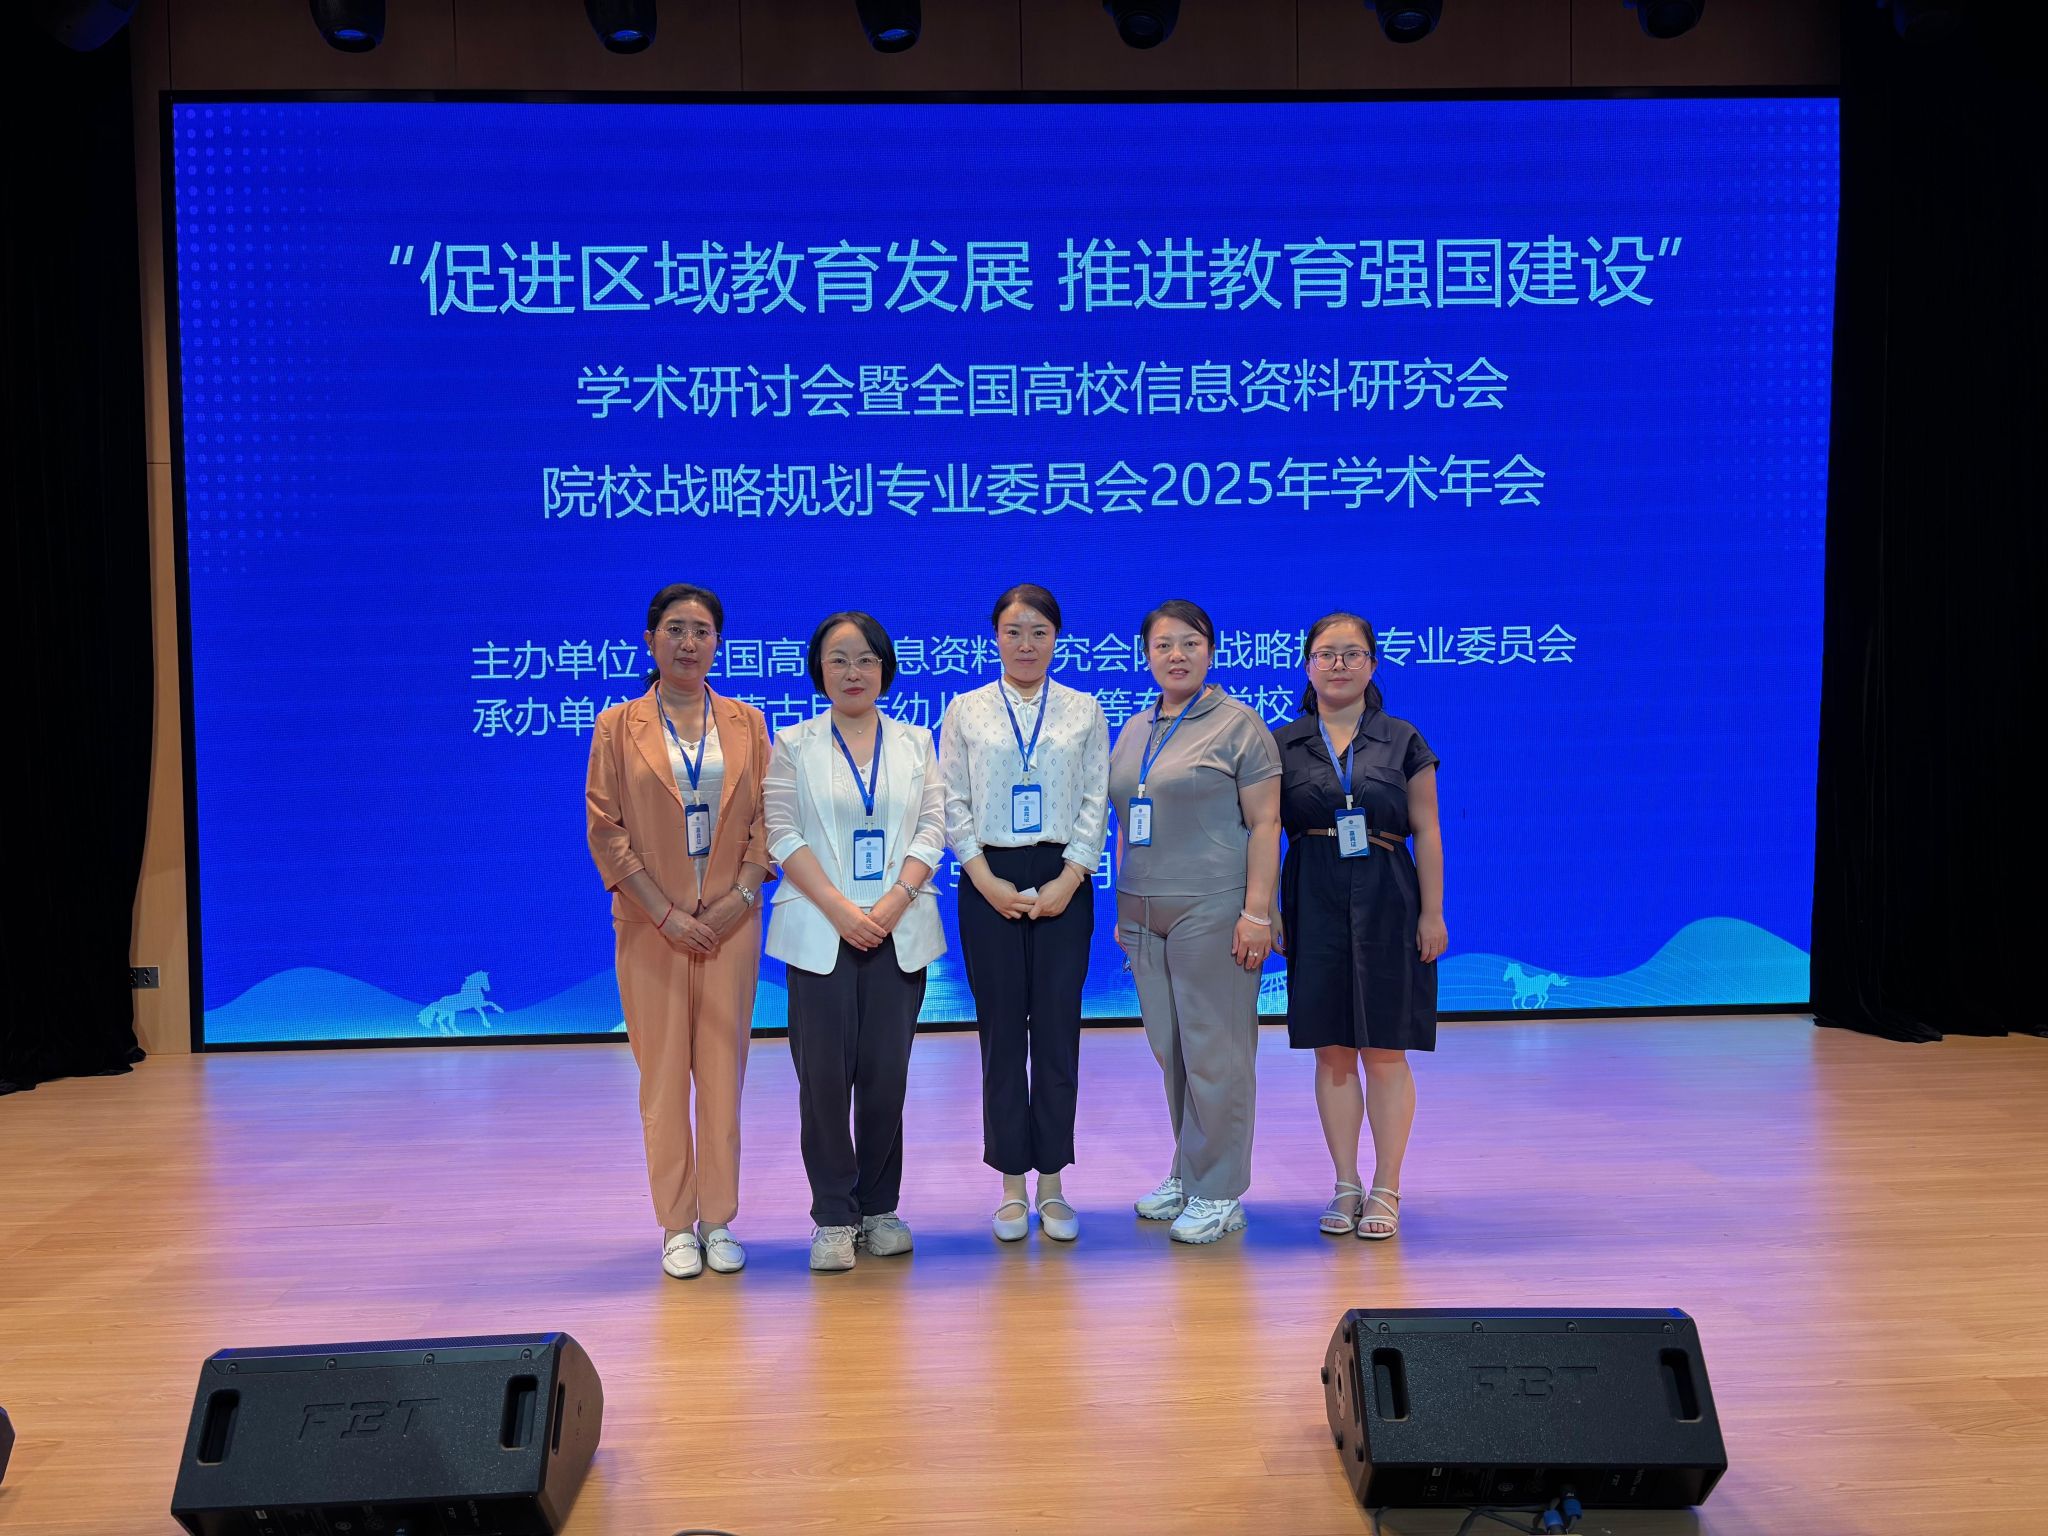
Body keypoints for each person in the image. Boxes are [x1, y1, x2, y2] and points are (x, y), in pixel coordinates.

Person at [586, 583, 772, 1281]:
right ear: (650, 640)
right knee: (663, 1082)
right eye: (674, 629)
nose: (688, 642)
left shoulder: (748, 723)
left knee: (722, 1079)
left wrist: (739, 897)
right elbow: (606, 833)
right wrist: (666, 915)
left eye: (700, 630)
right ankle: (675, 1225)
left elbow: (769, 822)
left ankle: (718, 1219)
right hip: (651, 930)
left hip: (731, 926)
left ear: (718, 642)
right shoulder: (617, 726)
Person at [764, 611, 948, 1273]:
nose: (853, 672)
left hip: (898, 930)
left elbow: (933, 828)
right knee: (822, 1083)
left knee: (885, 1078)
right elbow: (781, 833)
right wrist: (841, 910)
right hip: (820, 931)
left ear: (885, 668)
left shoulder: (916, 741)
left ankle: (879, 1208)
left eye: (866, 659)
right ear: (819, 669)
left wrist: (894, 900)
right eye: (838, 659)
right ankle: (834, 1216)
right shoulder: (793, 743)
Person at [940, 583, 1110, 1243]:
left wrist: (1070, 878)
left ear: (1056, 638)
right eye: (1013, 631)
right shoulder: (966, 709)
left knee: (1060, 1033)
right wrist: (983, 878)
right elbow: (952, 800)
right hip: (988, 880)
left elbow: (1095, 798)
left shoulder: (1084, 709)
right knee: (1003, 1034)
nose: (1026, 644)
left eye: (1039, 631)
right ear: (996, 638)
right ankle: (1012, 1184)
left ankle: (1055, 1183)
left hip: (1063, 878)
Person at [1108, 600, 1282, 1244]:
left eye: (1189, 642)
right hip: (1143, 909)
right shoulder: (1135, 727)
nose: (1175, 655)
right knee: (1172, 1049)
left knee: (1217, 1052)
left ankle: (1220, 1190)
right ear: (1146, 654)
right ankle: (1190, 1170)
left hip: (1214, 907)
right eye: (1162, 645)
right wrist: (1123, 906)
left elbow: (1266, 823)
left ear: (1211, 650)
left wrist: (1257, 912)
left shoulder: (1240, 725)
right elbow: (1125, 821)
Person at [1272, 613, 1445, 1241]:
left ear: (1372, 664)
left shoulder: (1402, 739)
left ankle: (1387, 1186)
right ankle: (1346, 1183)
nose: (1338, 664)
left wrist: (1432, 912)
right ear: (1308, 664)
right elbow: (1264, 830)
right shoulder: (1283, 742)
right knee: (1332, 1049)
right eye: (1326, 653)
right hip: (1312, 895)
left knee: (1386, 1049)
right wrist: (1266, 908)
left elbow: (1427, 830)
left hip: (1389, 899)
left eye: (1351, 654)